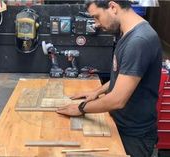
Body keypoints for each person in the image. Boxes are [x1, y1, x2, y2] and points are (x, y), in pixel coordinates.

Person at [56, 0, 162, 157]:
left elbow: (117, 100)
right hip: (119, 124)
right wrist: (96, 91)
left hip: (133, 136)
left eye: (97, 17)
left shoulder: (139, 41)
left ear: (113, 7)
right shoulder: (126, 33)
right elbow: (122, 75)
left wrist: (80, 108)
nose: (96, 24)